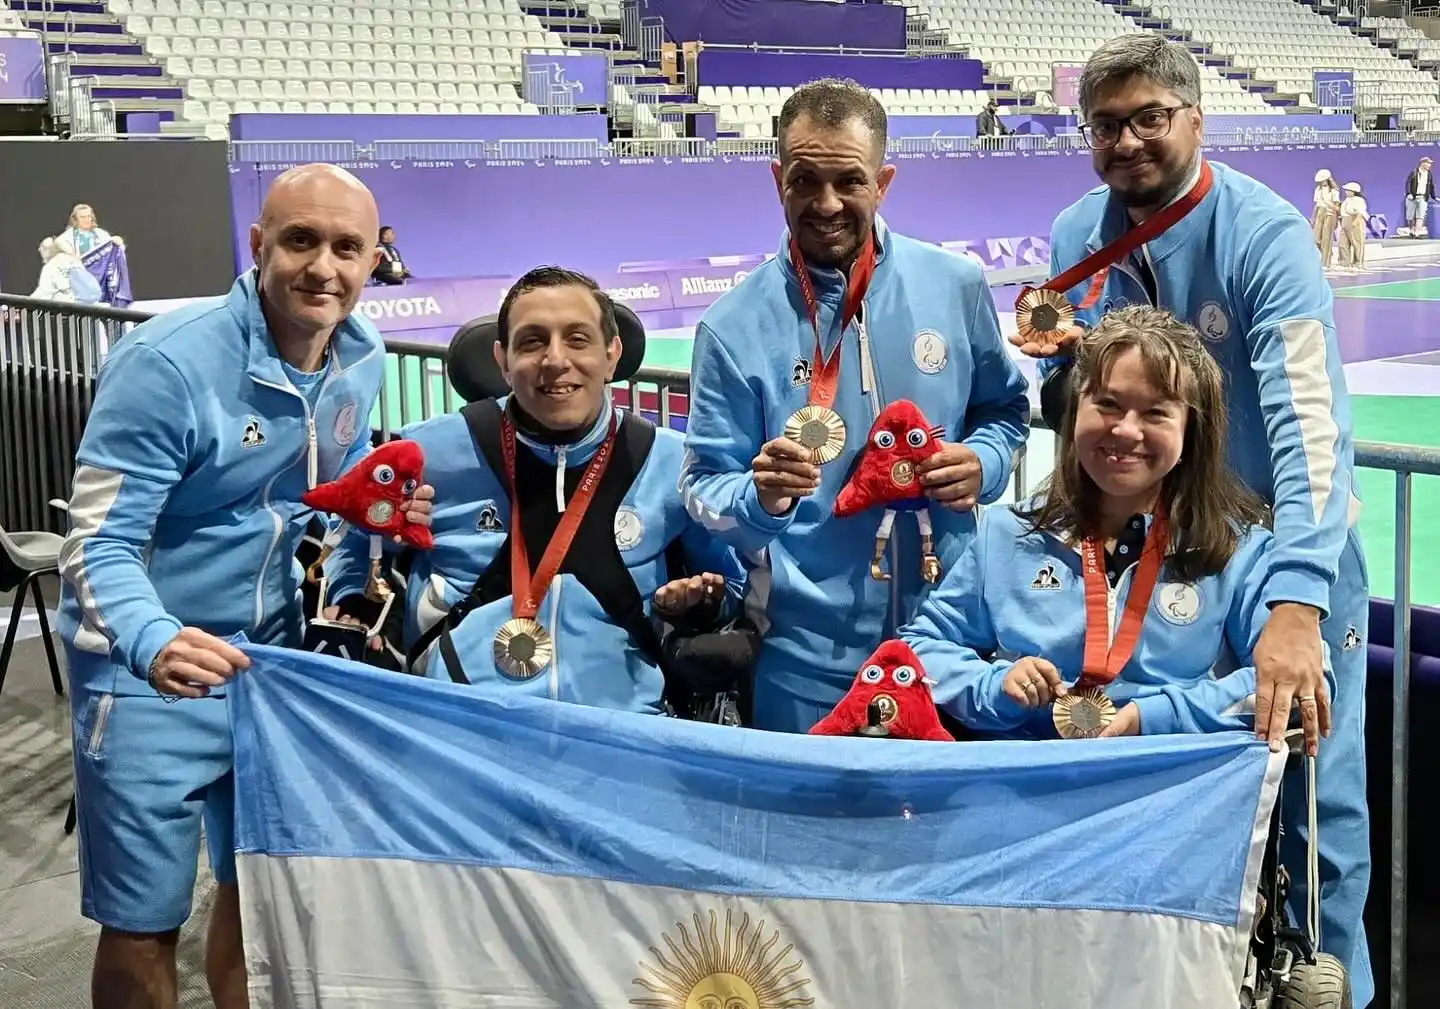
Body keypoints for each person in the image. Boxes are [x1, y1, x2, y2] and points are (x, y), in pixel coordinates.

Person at [1011, 33, 1372, 1006]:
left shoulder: (1264, 234)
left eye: (1150, 119)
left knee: (1312, 808)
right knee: (1154, 788)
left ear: (1196, 121)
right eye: (1107, 125)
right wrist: (1062, 367)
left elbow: (1310, 428)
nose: (1128, 141)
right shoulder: (1077, 232)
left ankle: (1333, 991)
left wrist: (1297, 599)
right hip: (1156, 564)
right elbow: (1071, 404)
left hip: (1281, 557)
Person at [55, 163, 430, 1009]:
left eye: (346, 248)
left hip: (269, 663)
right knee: (143, 921)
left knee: (257, 889)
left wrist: (367, 522)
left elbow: (319, 499)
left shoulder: (362, 358)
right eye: (300, 241)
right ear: (258, 246)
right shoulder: (165, 362)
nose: (323, 268)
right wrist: (152, 640)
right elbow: (97, 542)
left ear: (374, 261)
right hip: (147, 667)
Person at [679, 77, 1031, 734]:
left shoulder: (954, 286)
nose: (827, 203)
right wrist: (761, 498)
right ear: (777, 179)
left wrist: (982, 463)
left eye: (849, 181)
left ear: (883, 181)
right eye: (804, 181)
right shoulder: (731, 327)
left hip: (950, 652)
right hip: (803, 663)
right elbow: (702, 486)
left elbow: (1005, 413)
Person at [324, 265, 748, 713]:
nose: (555, 360)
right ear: (503, 360)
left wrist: (700, 604)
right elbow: (350, 537)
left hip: (624, 731)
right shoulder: (425, 452)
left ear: (612, 354)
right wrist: (356, 592)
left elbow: (732, 586)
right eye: (532, 342)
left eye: (578, 339)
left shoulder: (672, 463)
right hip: (459, 726)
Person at [903, 306, 1337, 740]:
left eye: (1156, 413)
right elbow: (917, 653)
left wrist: (1156, 717)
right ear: (1075, 410)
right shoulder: (1006, 535)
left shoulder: (1236, 551)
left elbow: (1300, 680)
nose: (1127, 430)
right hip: (1029, 779)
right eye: (1108, 404)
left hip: (1168, 780)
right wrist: (994, 686)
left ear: (1190, 431)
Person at [1311, 170, 1339, 270]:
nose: (1322, 182)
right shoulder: (1317, 190)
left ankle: (1325, 262)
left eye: (1323, 180)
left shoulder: (1334, 191)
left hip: (1329, 213)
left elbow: (1336, 206)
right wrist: (1313, 217)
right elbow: (1316, 205)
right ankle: (1327, 253)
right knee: (1316, 238)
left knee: (1326, 238)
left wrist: (1335, 217)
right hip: (1320, 213)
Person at [1339, 181, 1368, 271]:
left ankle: (1358, 262)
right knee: (1343, 243)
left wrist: (1355, 222)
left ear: (1353, 191)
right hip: (1345, 220)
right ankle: (1345, 262)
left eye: (1348, 190)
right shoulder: (1346, 200)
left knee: (1357, 242)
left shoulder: (1359, 200)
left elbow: (1360, 212)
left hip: (1354, 220)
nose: (1346, 192)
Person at [1404, 155, 1432, 237]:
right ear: (1423, 163)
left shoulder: (1429, 174)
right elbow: (1408, 183)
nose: (1430, 165)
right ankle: (1411, 230)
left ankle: (1417, 232)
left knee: (1420, 215)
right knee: (1410, 216)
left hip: (1423, 197)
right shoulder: (1414, 172)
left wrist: (1433, 196)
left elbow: (1431, 185)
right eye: (1428, 163)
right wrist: (1409, 193)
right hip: (1412, 197)